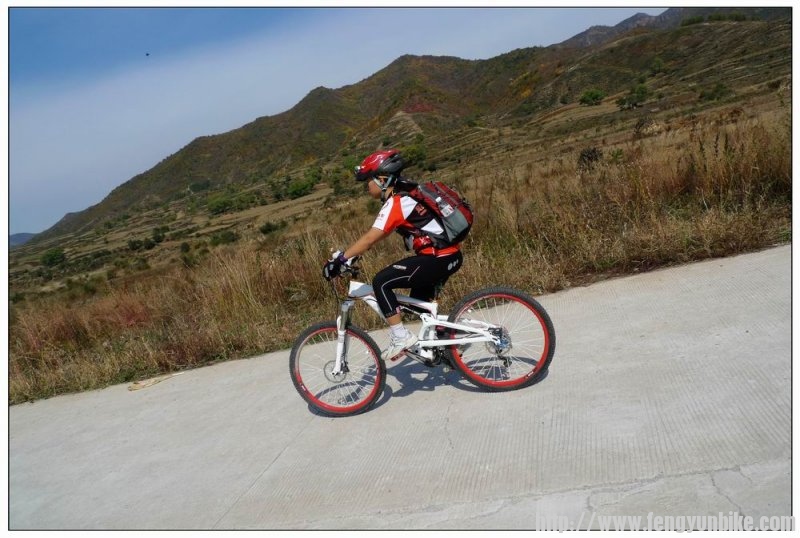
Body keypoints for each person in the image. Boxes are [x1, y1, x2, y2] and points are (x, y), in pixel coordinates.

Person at [322, 149, 464, 360]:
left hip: (437, 257)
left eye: (368, 181)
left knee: (381, 282)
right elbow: (380, 235)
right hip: (446, 256)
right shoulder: (405, 196)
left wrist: (341, 260)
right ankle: (447, 346)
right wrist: (353, 255)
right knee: (416, 305)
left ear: (382, 180)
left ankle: (400, 337)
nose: (366, 186)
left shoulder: (397, 202)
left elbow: (370, 238)